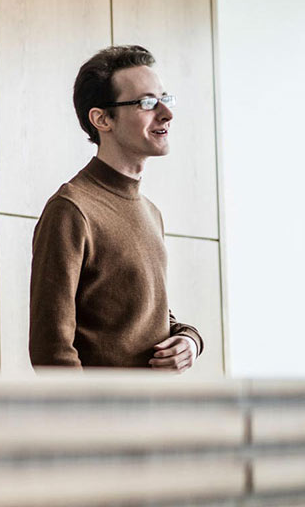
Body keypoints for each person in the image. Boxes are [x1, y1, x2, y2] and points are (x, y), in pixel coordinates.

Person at [29, 45, 202, 371]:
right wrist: (98, 420)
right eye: (147, 102)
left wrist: (190, 340)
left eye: (165, 98)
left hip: (156, 416)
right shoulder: (71, 209)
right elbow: (51, 353)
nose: (166, 112)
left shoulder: (151, 213)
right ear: (102, 119)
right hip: (108, 420)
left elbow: (150, 317)